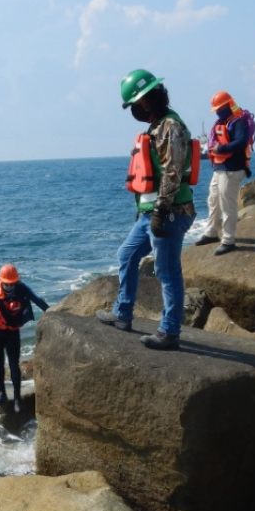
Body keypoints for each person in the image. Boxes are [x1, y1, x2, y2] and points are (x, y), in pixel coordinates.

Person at [95, 69, 195, 351]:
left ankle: (169, 332)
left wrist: (161, 211)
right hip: (151, 211)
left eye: (135, 105)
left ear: (145, 102)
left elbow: (173, 172)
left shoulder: (170, 127)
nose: (134, 111)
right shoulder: (157, 126)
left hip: (169, 212)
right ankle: (122, 313)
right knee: (127, 254)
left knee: (167, 272)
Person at [194, 91, 252, 256]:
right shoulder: (221, 123)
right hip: (220, 168)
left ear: (228, 105)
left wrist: (221, 148)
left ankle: (228, 240)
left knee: (228, 205)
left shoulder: (238, 123)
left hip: (232, 170)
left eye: (220, 108)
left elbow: (240, 143)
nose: (218, 112)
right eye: (216, 109)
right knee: (213, 200)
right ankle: (211, 232)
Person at [0, 264, 48, 413]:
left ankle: (17, 398)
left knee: (14, 365)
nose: (10, 286)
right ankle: (2, 393)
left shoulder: (21, 288)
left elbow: (37, 300)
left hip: (12, 333)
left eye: (12, 283)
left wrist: (50, 311)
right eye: (7, 284)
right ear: (1, 281)